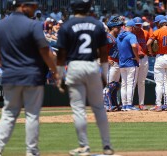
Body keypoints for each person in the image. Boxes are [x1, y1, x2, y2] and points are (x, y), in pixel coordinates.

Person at [0, 1, 58, 156]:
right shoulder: (33, 25)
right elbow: (45, 51)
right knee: (32, 115)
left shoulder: (1, 25)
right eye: (32, 6)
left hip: (11, 75)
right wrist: (56, 71)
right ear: (23, 6)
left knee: (8, 114)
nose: (35, 9)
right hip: (31, 76)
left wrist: (1, 62)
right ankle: (32, 151)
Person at [56, 0, 114, 155]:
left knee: (79, 109)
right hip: (92, 65)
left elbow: (61, 54)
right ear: (89, 7)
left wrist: (59, 75)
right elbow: (103, 52)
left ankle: (84, 146)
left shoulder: (66, 26)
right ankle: (107, 146)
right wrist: (104, 73)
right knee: (99, 108)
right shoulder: (97, 25)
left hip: (74, 66)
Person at [117, 20, 140, 111]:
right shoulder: (131, 35)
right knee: (130, 84)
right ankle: (129, 105)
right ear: (132, 27)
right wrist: (137, 57)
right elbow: (134, 46)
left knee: (124, 84)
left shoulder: (119, 36)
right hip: (131, 62)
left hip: (122, 63)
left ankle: (124, 105)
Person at [105, 16, 123, 111]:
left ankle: (114, 104)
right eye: (118, 27)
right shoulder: (107, 37)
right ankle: (106, 105)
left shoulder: (114, 37)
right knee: (109, 85)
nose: (120, 28)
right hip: (110, 63)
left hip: (116, 63)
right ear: (112, 27)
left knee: (115, 85)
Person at [133, 17, 150, 110]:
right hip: (134, 59)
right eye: (137, 25)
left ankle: (141, 104)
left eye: (140, 25)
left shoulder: (145, 33)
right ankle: (128, 104)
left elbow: (149, 45)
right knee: (132, 82)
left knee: (142, 82)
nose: (139, 27)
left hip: (144, 58)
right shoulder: (131, 34)